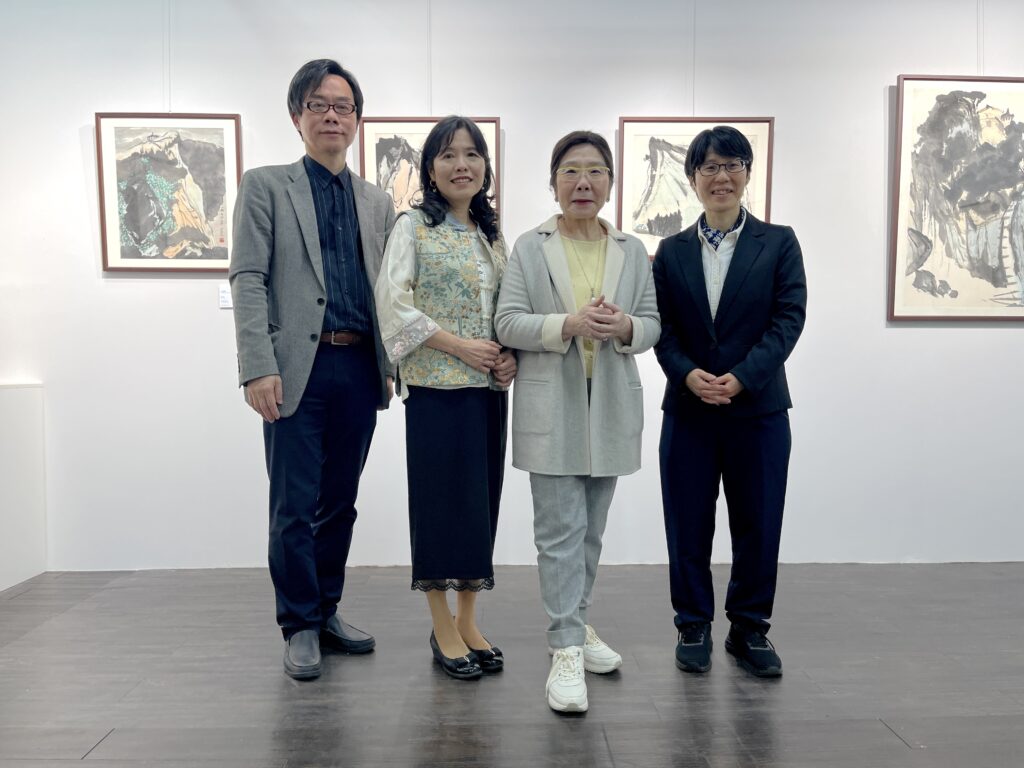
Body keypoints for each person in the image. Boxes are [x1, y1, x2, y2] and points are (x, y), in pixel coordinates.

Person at [229, 59, 397, 681]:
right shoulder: (266, 186)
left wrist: (391, 362)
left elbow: (390, 289)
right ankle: (298, 623)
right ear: (297, 115)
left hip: (360, 365)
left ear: (357, 120)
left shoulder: (377, 201)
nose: (332, 115)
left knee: (341, 502)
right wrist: (257, 367)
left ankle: (326, 610)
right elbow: (248, 278)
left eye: (343, 106)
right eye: (319, 104)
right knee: (294, 504)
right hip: (295, 367)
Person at [494, 131, 660, 713]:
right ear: (553, 183)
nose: (583, 182)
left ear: (611, 182)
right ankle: (564, 646)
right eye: (570, 171)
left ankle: (577, 623)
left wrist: (626, 328)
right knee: (559, 532)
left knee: (590, 531)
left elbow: (652, 322)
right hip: (552, 403)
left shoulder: (632, 251)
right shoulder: (529, 246)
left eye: (595, 171)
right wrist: (567, 324)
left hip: (610, 403)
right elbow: (508, 322)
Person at [652, 126, 807, 678]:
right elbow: (661, 327)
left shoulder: (779, 242)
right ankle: (692, 624)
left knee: (758, 523)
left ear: (747, 173)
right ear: (693, 178)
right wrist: (686, 374)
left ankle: (749, 628)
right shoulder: (669, 252)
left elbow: (789, 319)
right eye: (710, 167)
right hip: (689, 408)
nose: (721, 177)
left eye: (732, 165)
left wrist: (742, 377)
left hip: (758, 410)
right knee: (687, 524)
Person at [375, 116, 515, 681]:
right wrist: (461, 347)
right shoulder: (412, 227)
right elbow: (393, 306)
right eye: (449, 155)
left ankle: (468, 620)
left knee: (480, 508)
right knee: (439, 508)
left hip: (488, 392)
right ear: (430, 169)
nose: (462, 165)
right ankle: (440, 625)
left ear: (485, 166)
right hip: (436, 391)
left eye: (472, 154)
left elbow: (509, 311)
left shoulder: (493, 235)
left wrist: (509, 355)